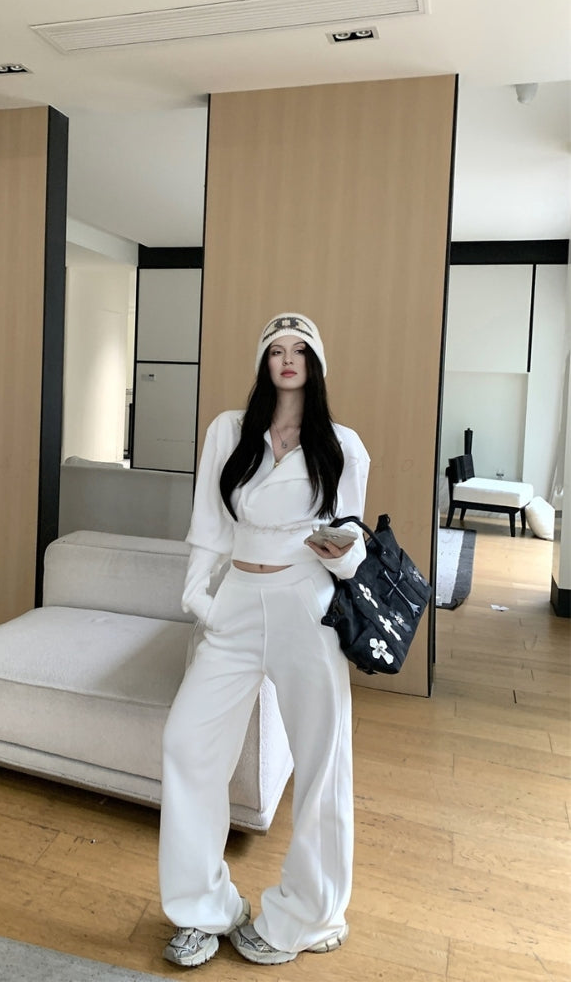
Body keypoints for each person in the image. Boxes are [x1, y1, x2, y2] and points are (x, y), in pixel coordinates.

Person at [158, 313, 370, 968]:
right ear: (263, 362)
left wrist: (342, 551)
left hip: (306, 601)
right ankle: (202, 907)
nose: (287, 358)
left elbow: (354, 546)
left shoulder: (342, 445)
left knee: (322, 757)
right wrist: (199, 597)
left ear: (316, 362)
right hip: (238, 600)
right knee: (188, 743)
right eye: (275, 349)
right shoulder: (229, 431)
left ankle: (311, 914)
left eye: (299, 349)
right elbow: (209, 524)